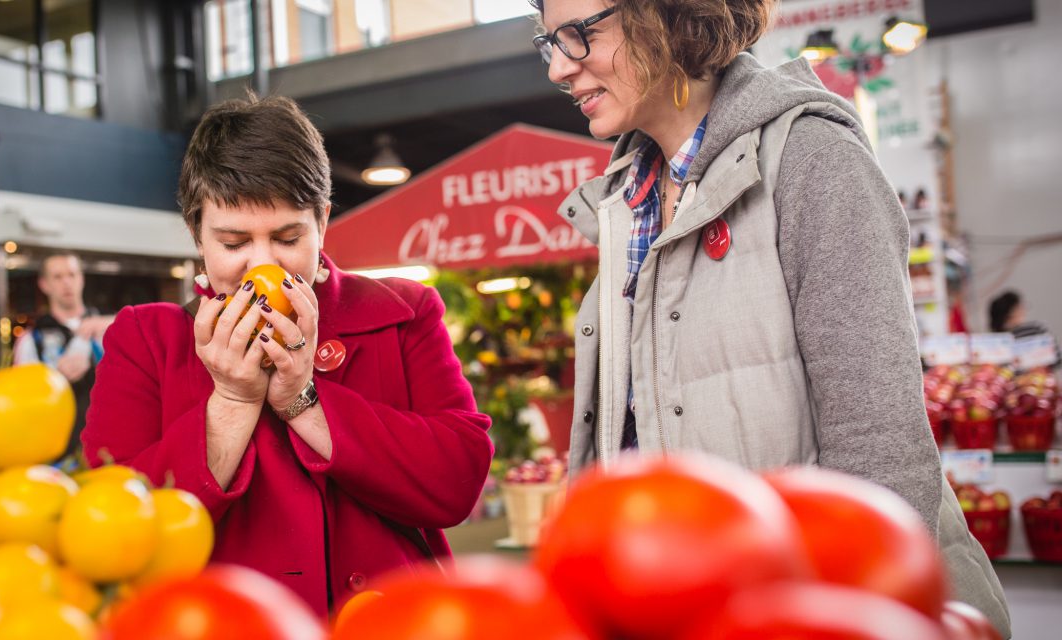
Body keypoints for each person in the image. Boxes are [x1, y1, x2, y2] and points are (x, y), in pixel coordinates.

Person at [533, 0, 1009, 633]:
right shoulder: (625, 198)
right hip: (697, 606)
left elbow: (879, 448)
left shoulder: (812, 159)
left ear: (668, 14)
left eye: (577, 36)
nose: (558, 69)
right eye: (548, 44)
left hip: (813, 607)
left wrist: (855, 616)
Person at [81, 95, 493, 616]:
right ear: (197, 235)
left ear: (321, 220)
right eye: (233, 243)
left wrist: (305, 400)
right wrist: (231, 401)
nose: (263, 265)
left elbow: (455, 482)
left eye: (287, 237)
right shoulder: (146, 339)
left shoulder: (403, 312)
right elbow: (111, 524)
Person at [12, 251, 114, 462]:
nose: (66, 283)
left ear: (81, 279)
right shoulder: (32, 339)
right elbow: (22, 403)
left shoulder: (108, 327)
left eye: (72, 275)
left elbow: (155, 324)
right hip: (57, 454)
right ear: (44, 284)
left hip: (109, 450)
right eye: (58, 277)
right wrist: (55, 379)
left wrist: (102, 324)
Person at [989, 290, 1060, 367]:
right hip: (1039, 377)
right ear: (1012, 311)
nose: (1024, 310)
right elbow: (1057, 357)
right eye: (1021, 307)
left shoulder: (993, 342)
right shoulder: (1036, 329)